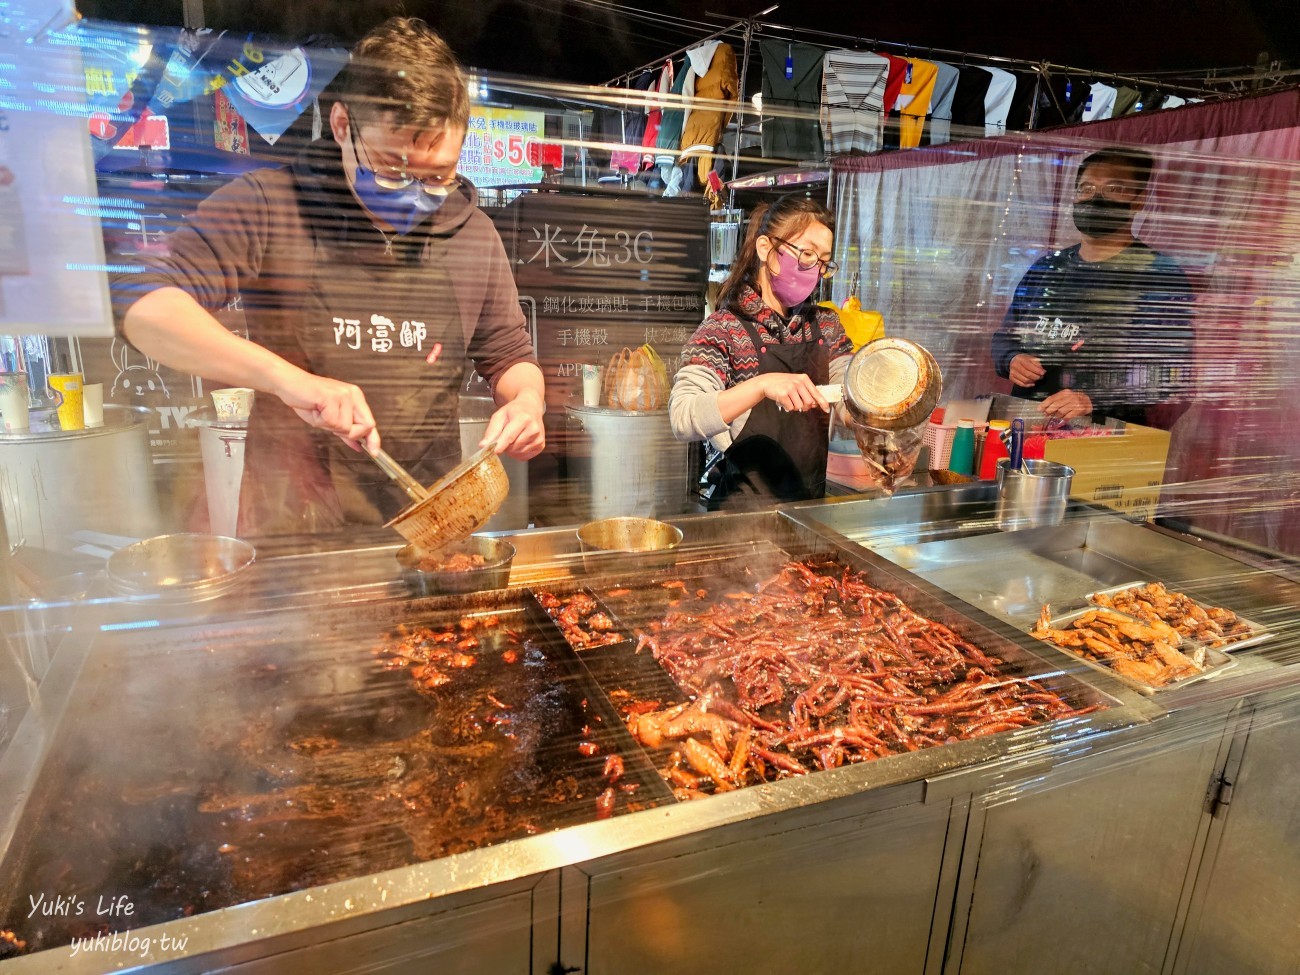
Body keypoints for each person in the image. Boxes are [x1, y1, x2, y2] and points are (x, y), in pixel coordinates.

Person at [114, 18, 545, 535]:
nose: (414, 194)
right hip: (297, 525)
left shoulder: (472, 236)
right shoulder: (268, 206)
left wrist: (526, 403)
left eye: (437, 177)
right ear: (342, 125)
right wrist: (291, 382)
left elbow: (510, 356)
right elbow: (141, 306)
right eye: (391, 170)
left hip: (430, 523)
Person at [669, 195, 853, 510]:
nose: (814, 270)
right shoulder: (725, 330)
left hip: (810, 516)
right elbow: (683, 417)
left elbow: (852, 395)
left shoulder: (826, 326)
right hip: (742, 525)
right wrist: (761, 385)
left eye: (823, 262)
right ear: (766, 248)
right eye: (807, 254)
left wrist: (881, 426)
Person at [991, 147, 1194, 428]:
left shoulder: (1158, 276)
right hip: (1028, 430)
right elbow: (1005, 337)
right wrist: (1012, 359)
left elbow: (1172, 372)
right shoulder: (1047, 269)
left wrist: (1093, 398)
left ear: (1138, 201)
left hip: (1104, 439)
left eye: (1114, 189)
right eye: (1086, 188)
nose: (1095, 198)